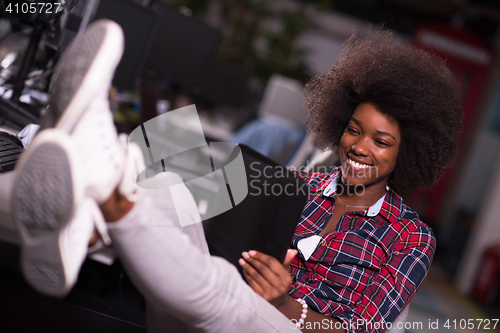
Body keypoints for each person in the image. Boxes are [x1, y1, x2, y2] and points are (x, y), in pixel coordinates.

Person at [9, 20, 462, 333]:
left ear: (408, 153)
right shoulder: (299, 186)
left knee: (229, 289)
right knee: (192, 177)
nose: (360, 147)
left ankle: (95, 188)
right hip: (201, 299)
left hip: (282, 322)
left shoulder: (410, 237)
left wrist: (288, 304)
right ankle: (89, 194)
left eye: (381, 142)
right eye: (354, 130)